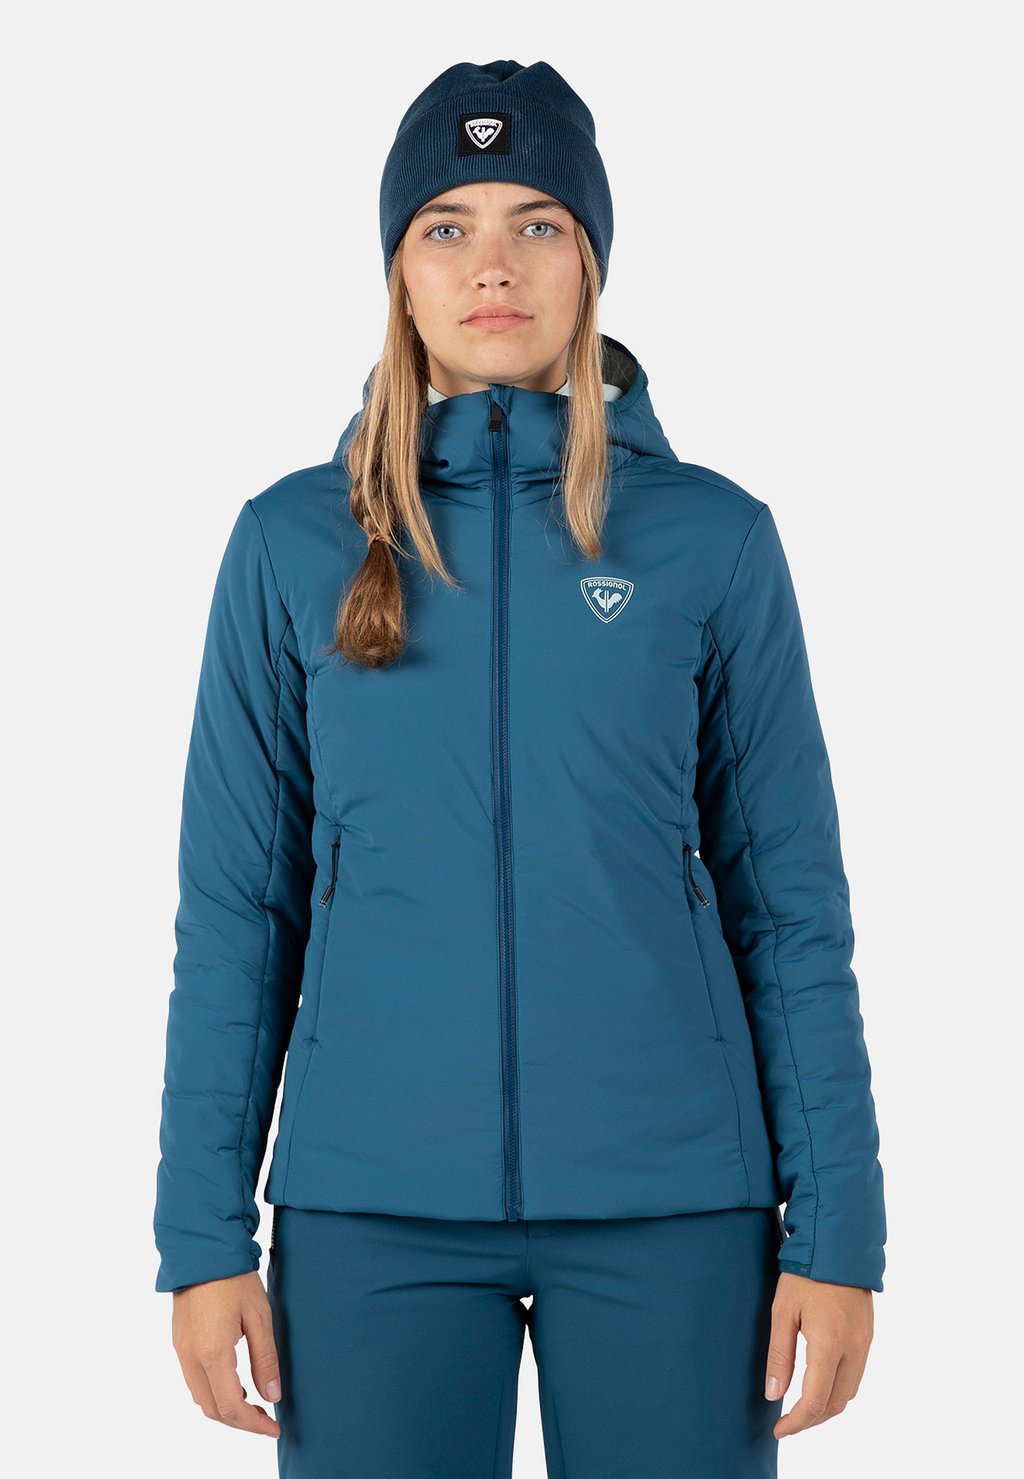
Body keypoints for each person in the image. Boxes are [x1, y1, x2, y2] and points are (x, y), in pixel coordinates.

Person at [153, 58, 887, 1478]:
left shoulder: (712, 540)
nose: (493, 265)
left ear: (590, 263)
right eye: (448, 226)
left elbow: (792, 908)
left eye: (537, 223)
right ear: (399, 272)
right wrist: (201, 1236)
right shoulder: (291, 544)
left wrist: (841, 1230)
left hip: (677, 1205)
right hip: (370, 1209)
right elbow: (238, 915)